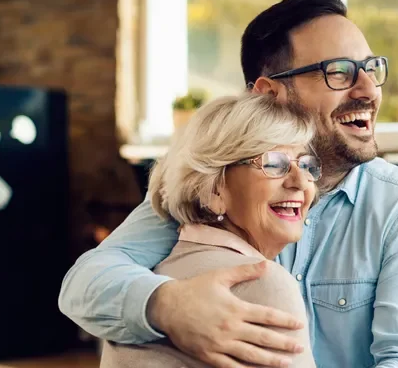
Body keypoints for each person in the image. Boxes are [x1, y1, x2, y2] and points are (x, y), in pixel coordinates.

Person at [59, 0, 398, 368]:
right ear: (269, 94)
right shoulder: (210, 189)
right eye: (338, 72)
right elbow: (83, 284)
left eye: (371, 69)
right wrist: (168, 306)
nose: (369, 90)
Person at [100, 93, 319, 368]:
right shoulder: (265, 285)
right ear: (214, 188)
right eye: (274, 163)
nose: (301, 181)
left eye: (307, 165)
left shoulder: (143, 280)